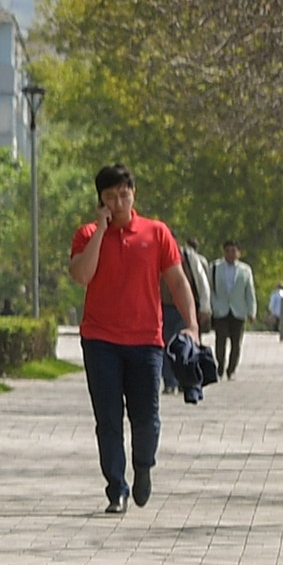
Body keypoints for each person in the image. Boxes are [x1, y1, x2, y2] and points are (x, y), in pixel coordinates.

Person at [70, 166, 209, 511]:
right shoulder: (87, 234)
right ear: (100, 201)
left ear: (133, 192)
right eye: (109, 197)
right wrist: (101, 231)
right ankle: (116, 487)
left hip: (146, 340)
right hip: (100, 340)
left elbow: (178, 283)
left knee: (146, 417)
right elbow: (82, 275)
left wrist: (191, 324)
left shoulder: (156, 233)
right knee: (108, 418)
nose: (117, 203)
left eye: (123, 194)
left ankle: (143, 467)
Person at [208, 244, 257, 375]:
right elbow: (210, 289)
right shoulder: (215, 267)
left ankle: (231, 368)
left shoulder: (245, 270)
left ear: (239, 253)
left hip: (238, 310)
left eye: (233, 251)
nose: (230, 254)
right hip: (221, 309)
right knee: (220, 339)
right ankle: (220, 364)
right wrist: (212, 305)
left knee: (236, 342)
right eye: (227, 251)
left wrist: (252, 311)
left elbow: (249, 291)